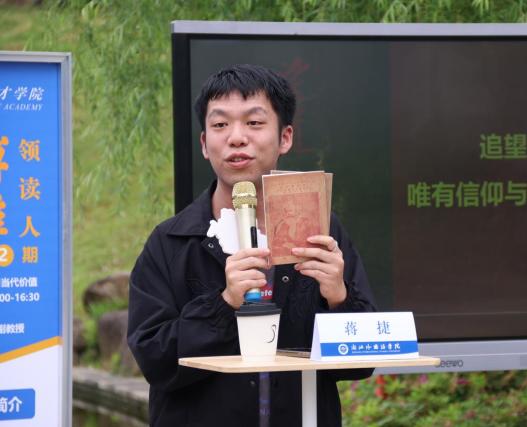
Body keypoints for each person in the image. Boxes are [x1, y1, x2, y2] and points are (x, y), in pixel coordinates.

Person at [127, 64, 376, 427]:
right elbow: (155, 360)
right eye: (220, 124)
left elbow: (361, 364)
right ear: (204, 144)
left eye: (254, 123)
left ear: (285, 138)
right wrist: (224, 302)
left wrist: (338, 298)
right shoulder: (170, 242)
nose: (236, 137)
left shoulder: (322, 231)